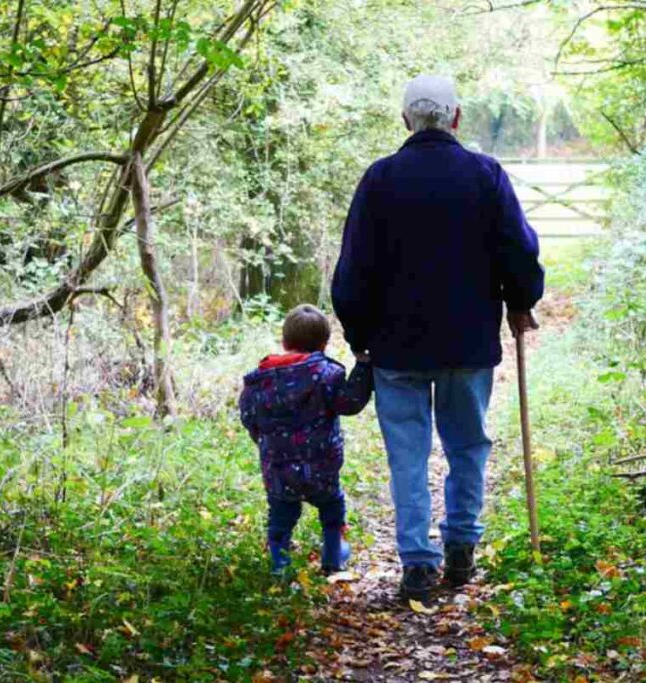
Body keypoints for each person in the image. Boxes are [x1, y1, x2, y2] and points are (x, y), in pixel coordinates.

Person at [331, 74, 545, 601]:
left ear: (406, 119)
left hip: (395, 346)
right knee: (467, 445)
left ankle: (418, 565)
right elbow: (518, 251)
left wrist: (360, 337)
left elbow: (352, 271)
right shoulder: (485, 175)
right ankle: (461, 549)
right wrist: (522, 300)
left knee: (408, 454)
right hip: (467, 343)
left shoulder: (379, 180)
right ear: (456, 117)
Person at [239, 304, 373, 575]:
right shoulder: (327, 375)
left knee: (280, 516)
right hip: (322, 465)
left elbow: (249, 417)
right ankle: (333, 557)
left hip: (277, 467)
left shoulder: (259, 381)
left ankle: (281, 566)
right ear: (324, 344)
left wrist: (266, 443)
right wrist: (364, 367)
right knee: (332, 507)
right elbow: (349, 403)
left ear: (284, 341)